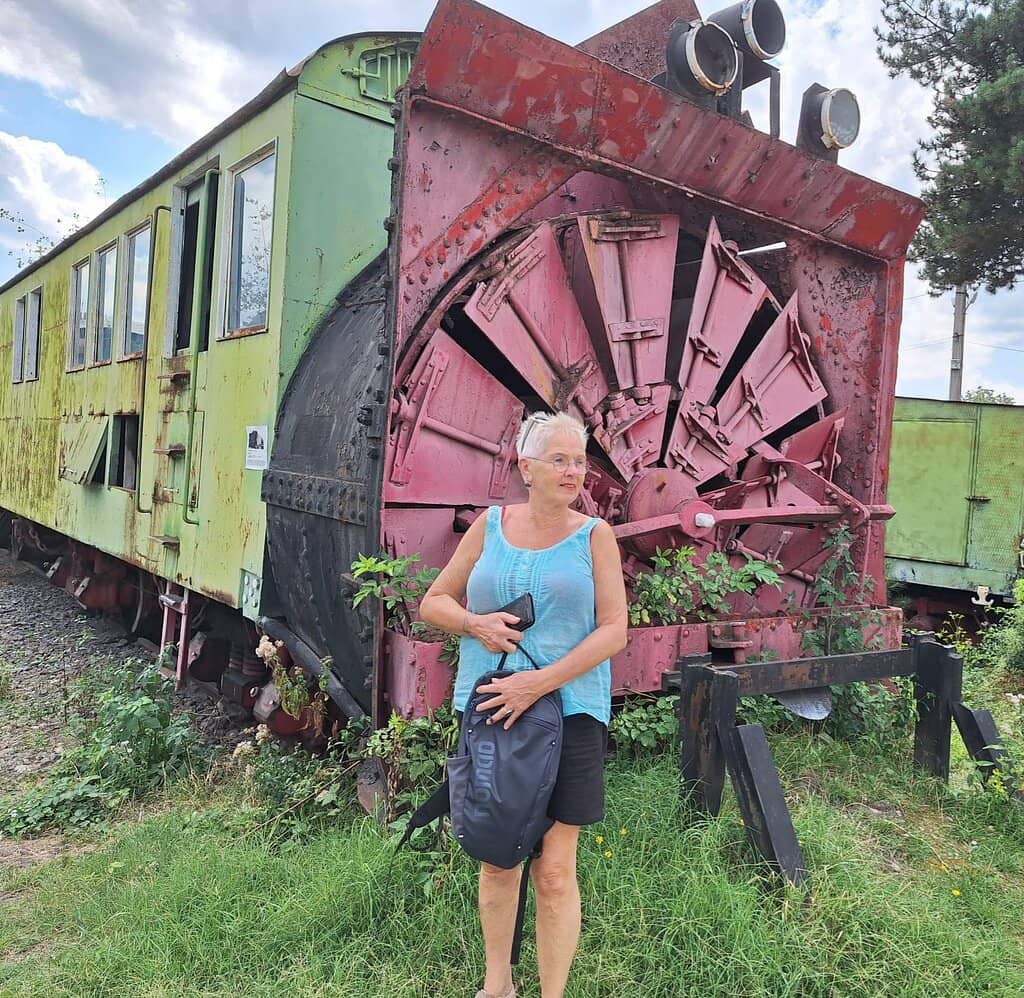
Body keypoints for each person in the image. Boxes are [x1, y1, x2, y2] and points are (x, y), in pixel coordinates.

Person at [420, 410, 628, 998]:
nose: (572, 472)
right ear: (524, 467)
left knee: (557, 869)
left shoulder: (595, 537)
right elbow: (433, 604)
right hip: (490, 711)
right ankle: (497, 987)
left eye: (579, 461)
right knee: (497, 855)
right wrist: (475, 625)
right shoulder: (488, 527)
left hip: (572, 714)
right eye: (558, 460)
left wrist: (540, 684)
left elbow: (615, 630)